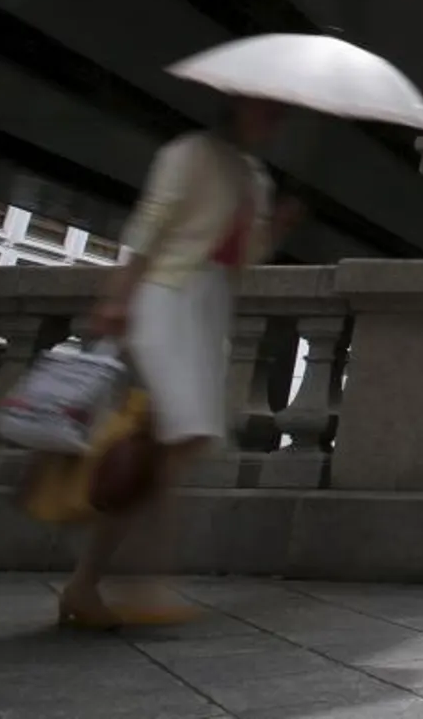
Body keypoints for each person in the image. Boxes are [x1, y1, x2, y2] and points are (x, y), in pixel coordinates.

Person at [58, 97, 302, 628]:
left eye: (279, 116)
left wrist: (276, 229)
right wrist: (118, 297)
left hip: (206, 311)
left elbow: (243, 258)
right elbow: (149, 228)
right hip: (164, 300)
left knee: (168, 451)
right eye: (266, 112)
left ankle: (98, 582)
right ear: (236, 109)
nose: (272, 124)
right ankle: (137, 584)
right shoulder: (190, 153)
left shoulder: (254, 177)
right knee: (171, 439)